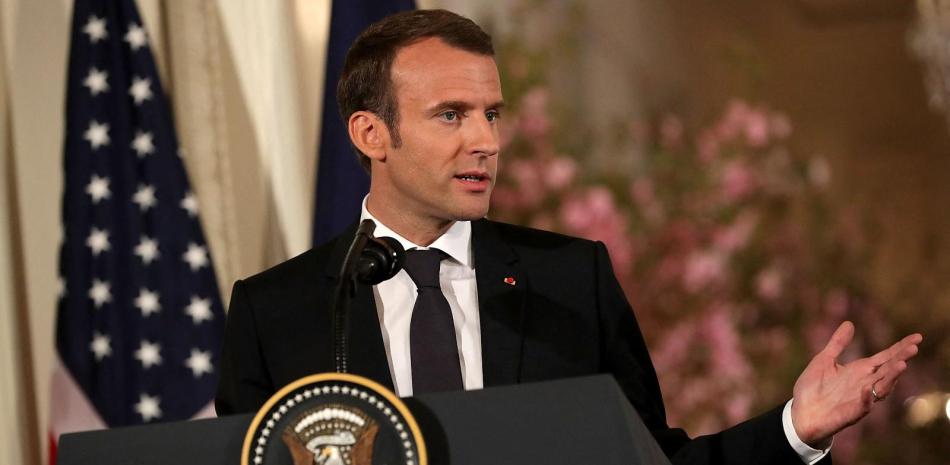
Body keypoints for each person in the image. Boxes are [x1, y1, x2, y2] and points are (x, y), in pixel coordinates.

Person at [215, 9, 922, 465]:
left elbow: (652, 461)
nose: (487, 141)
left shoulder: (570, 279)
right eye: (452, 115)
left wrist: (797, 427)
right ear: (372, 134)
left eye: (493, 113)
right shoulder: (277, 311)